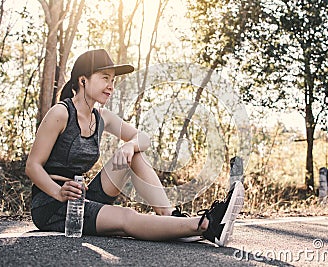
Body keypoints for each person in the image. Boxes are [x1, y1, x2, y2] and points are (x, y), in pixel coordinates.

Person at [25, 49, 244, 246]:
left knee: (135, 154)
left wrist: (129, 146)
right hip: (52, 205)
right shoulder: (61, 113)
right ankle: (207, 225)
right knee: (125, 217)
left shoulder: (102, 117)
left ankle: (171, 216)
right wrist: (58, 192)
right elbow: (33, 166)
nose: (111, 86)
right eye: (104, 78)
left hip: (82, 196)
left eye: (113, 80)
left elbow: (143, 137)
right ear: (83, 80)